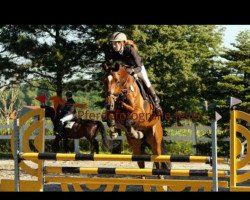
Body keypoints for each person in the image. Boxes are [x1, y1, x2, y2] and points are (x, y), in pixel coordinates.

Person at [108, 32, 163, 116]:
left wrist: (132, 71)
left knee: (146, 81)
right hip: (126, 69)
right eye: (113, 43)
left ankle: (156, 103)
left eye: (116, 43)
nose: (114, 46)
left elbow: (139, 67)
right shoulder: (115, 52)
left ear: (122, 42)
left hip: (138, 68)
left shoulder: (130, 49)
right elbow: (114, 65)